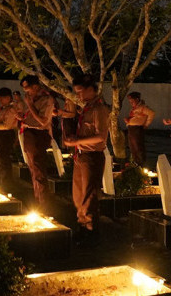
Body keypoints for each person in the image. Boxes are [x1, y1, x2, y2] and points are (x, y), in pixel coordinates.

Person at [64, 73, 110, 240]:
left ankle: (90, 231)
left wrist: (78, 141)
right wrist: (76, 141)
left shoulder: (100, 109)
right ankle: (82, 225)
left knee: (89, 196)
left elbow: (101, 137)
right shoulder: (87, 108)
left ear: (91, 89)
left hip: (92, 156)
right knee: (78, 194)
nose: (78, 95)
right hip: (81, 155)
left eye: (80, 91)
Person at [20, 75, 55, 209]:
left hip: (38, 135)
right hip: (29, 134)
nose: (26, 93)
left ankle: (44, 203)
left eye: (27, 89)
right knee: (33, 169)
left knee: (38, 169)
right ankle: (38, 199)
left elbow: (43, 121)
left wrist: (29, 105)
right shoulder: (34, 98)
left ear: (35, 86)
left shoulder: (46, 99)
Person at [124, 92, 155, 166]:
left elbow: (152, 113)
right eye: (130, 102)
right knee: (132, 147)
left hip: (137, 129)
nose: (131, 103)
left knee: (138, 147)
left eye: (132, 101)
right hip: (131, 129)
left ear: (137, 99)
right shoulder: (135, 108)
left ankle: (140, 163)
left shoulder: (143, 108)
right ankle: (135, 162)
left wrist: (146, 124)